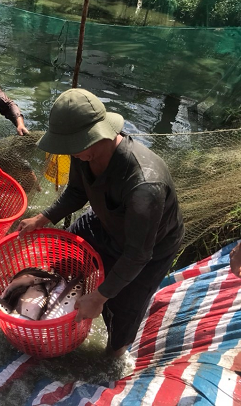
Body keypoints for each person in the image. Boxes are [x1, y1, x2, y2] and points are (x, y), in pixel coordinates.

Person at [17, 88, 184, 358]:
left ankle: (112, 357)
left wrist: (100, 297)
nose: (68, 151)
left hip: (147, 249)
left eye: (71, 145)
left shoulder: (144, 185)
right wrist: (43, 217)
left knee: (123, 308)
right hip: (104, 221)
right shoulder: (83, 154)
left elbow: (137, 253)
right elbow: (76, 192)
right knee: (62, 263)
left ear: (93, 139)